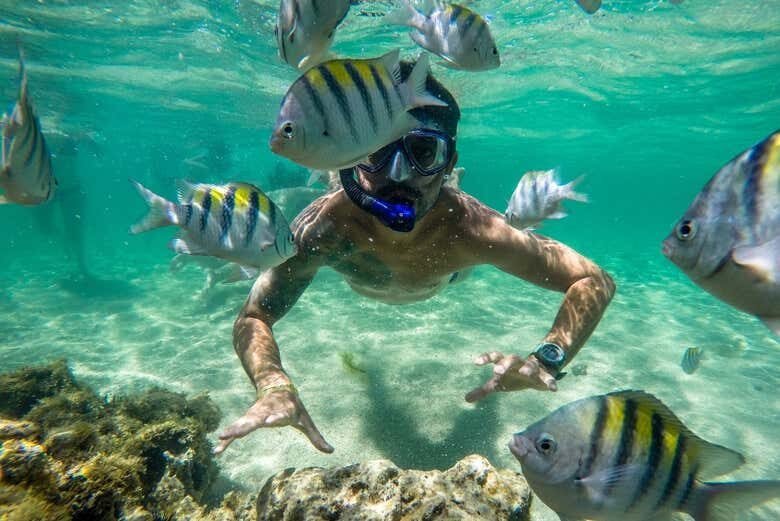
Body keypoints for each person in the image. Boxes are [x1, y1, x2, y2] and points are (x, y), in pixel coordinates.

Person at [214, 65, 615, 455]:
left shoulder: (473, 230)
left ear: (448, 163)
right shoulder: (324, 231)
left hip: (450, 276)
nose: (400, 174)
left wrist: (546, 359)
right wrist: (273, 386)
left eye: (424, 152)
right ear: (349, 157)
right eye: (377, 152)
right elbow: (253, 316)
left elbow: (594, 280)